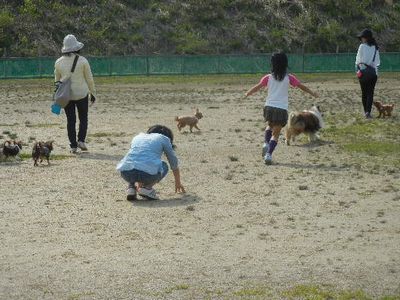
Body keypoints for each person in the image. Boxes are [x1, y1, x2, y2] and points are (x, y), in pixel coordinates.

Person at [245, 52, 318, 165]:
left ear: (272, 64)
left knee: (269, 125)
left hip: (268, 107)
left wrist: (247, 93)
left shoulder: (268, 77)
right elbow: (301, 86)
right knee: (276, 134)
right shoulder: (289, 78)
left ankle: (265, 143)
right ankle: (268, 155)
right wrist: (312, 93)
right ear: (285, 64)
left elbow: (257, 87)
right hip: (281, 109)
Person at [116, 125, 185, 201]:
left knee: (133, 162)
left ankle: (131, 188)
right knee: (164, 165)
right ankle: (147, 188)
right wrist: (178, 182)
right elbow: (173, 163)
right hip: (147, 175)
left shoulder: (138, 136)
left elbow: (137, 158)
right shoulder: (164, 139)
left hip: (125, 173)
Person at [55, 34, 96, 153]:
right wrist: (93, 93)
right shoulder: (83, 61)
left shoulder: (58, 62)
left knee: (70, 120)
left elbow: (57, 81)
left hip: (66, 95)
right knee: (83, 118)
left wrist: (57, 96)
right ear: (76, 47)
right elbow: (89, 79)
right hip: (82, 93)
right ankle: (81, 140)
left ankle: (73, 146)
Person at [355, 29, 380, 119]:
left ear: (366, 38)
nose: (361, 39)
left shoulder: (362, 46)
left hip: (363, 72)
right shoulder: (375, 47)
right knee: (370, 93)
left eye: (362, 37)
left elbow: (358, 61)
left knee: (364, 93)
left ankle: (366, 111)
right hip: (373, 73)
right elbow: (377, 62)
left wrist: (357, 70)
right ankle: (368, 112)